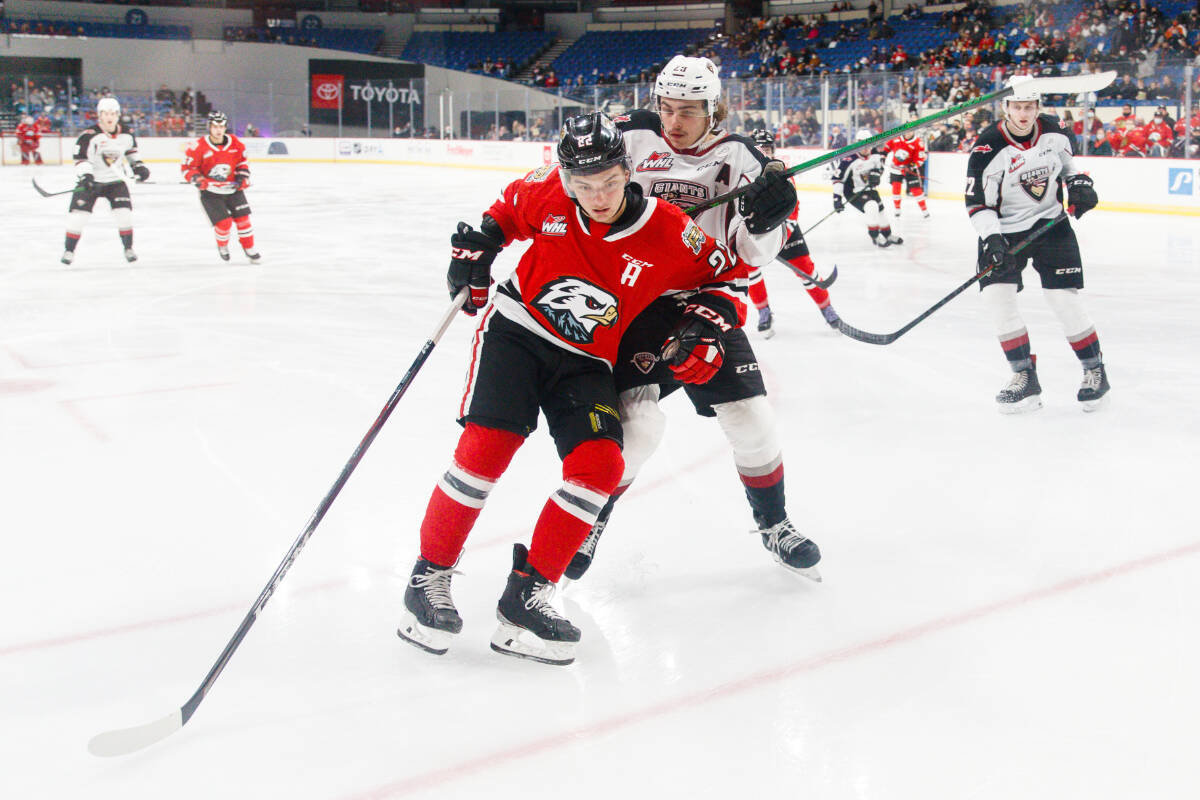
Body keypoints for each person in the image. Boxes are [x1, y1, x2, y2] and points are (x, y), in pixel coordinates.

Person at [396, 113, 747, 666]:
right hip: (518, 332)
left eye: (609, 181)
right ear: (565, 178)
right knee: (483, 455)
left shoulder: (669, 229)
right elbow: (505, 211)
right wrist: (478, 250)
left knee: (601, 466)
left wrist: (707, 325)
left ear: (628, 169)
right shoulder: (549, 193)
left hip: (587, 360)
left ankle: (528, 596)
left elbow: (726, 279)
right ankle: (428, 579)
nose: (597, 196)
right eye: (583, 186)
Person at [563, 55, 822, 587]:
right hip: (632, 300)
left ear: (714, 109)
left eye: (687, 111)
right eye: (666, 108)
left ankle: (774, 523)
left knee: (752, 419)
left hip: (704, 298)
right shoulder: (631, 137)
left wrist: (769, 220)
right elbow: (570, 189)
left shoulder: (741, 157)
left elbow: (751, 259)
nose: (673, 123)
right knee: (636, 430)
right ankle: (590, 521)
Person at [965, 76, 1109, 413]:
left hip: (1050, 223)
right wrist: (993, 240)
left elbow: (1067, 163)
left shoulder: (1054, 130)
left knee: (1063, 299)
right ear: (1007, 108)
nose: (1024, 113)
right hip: (1003, 231)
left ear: (1037, 108)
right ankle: (1025, 378)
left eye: (1029, 107)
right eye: (1017, 107)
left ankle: (1094, 370)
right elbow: (977, 205)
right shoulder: (988, 148)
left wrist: (1078, 182)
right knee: (998, 300)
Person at [745, 128, 841, 336]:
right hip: (756, 233)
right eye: (759, 148)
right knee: (750, 271)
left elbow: (793, 208)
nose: (764, 152)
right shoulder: (744, 173)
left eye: (768, 148)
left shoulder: (783, 171)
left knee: (806, 270)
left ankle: (827, 309)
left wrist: (781, 235)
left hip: (784, 231)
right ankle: (763, 312)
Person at [61, 97, 150, 265]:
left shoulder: (126, 133)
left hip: (116, 182)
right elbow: (81, 159)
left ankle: (128, 248)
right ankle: (69, 250)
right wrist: (86, 176)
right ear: (99, 116)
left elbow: (131, 153)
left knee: (124, 215)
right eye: (105, 113)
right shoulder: (89, 136)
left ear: (118, 115)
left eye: (113, 113)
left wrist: (139, 167)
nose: (109, 117)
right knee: (78, 217)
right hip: (91, 182)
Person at [181, 111, 261, 264]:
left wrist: (242, 177)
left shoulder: (235, 142)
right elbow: (187, 167)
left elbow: (242, 162)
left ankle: (249, 248)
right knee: (224, 223)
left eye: (221, 126)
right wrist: (197, 178)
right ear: (209, 127)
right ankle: (222, 245)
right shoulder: (198, 146)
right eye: (215, 126)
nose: (218, 130)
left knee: (243, 220)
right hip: (211, 192)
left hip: (233, 189)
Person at [831, 131, 902, 247]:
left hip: (870, 189)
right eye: (862, 145)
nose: (866, 148)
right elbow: (838, 179)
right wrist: (836, 199)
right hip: (853, 192)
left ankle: (887, 235)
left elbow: (880, 169)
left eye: (868, 145)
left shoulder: (876, 155)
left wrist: (877, 174)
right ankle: (875, 236)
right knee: (871, 206)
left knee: (881, 211)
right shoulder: (849, 159)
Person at [883, 131, 929, 218]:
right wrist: (883, 156)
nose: (908, 132)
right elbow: (886, 148)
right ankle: (897, 209)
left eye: (911, 131)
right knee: (896, 188)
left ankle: (924, 210)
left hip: (910, 170)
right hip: (896, 169)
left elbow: (920, 159)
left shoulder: (918, 142)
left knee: (916, 190)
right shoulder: (896, 138)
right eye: (906, 130)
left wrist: (911, 166)